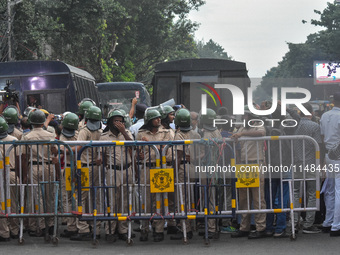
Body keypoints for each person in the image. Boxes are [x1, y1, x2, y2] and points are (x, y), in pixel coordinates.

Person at [231, 105, 267, 239]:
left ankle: (260, 228)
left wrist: (242, 134)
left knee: (258, 198)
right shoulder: (242, 127)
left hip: (255, 163)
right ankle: (244, 227)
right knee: (244, 198)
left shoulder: (258, 125)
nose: (244, 117)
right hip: (243, 165)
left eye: (246, 115)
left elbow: (261, 133)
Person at [21, 109, 58, 237]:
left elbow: (24, 157)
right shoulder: (50, 135)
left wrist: (24, 175)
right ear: (43, 122)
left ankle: (40, 226)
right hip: (49, 167)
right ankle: (51, 224)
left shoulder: (27, 136)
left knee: (37, 197)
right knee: (50, 196)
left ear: (31, 122)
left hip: (35, 167)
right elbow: (55, 151)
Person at [136, 109, 172, 242]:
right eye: (155, 118)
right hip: (146, 167)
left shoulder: (166, 132)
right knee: (146, 200)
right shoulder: (141, 134)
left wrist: (150, 144)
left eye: (159, 118)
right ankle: (144, 228)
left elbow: (164, 149)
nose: (158, 120)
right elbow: (138, 152)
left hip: (161, 169)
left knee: (161, 199)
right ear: (149, 120)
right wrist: (139, 154)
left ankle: (159, 229)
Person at [98, 109, 134, 242]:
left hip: (127, 170)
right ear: (110, 122)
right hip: (112, 170)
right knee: (112, 201)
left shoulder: (127, 133)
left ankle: (123, 230)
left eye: (121, 121)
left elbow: (133, 146)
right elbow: (102, 156)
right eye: (116, 121)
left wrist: (124, 132)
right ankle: (110, 230)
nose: (118, 123)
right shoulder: (104, 137)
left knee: (125, 201)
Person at [70, 106, 103, 241]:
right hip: (97, 167)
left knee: (80, 197)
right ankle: (96, 227)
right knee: (95, 197)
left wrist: (63, 149)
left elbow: (78, 147)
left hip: (84, 167)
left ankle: (83, 228)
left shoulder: (85, 131)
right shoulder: (101, 131)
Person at [169, 108, 201, 240]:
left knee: (182, 199)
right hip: (192, 167)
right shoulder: (196, 134)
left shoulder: (179, 135)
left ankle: (185, 230)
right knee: (190, 198)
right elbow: (201, 154)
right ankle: (191, 227)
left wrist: (174, 174)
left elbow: (178, 155)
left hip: (182, 168)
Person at [293, 102, 323, 234]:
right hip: (311, 162)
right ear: (311, 112)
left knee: (295, 191)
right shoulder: (315, 126)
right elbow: (319, 145)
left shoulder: (294, 126)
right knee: (312, 193)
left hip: (296, 163)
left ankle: (294, 221)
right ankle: (308, 224)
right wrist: (321, 164)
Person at [199, 108, 222, 239]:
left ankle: (212, 228)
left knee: (209, 198)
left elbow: (204, 153)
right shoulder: (216, 131)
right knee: (211, 197)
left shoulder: (208, 133)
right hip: (214, 168)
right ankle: (211, 225)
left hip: (209, 169)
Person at [320, 92, 340, 236]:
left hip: (328, 154)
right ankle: (336, 225)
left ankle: (328, 222)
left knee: (330, 190)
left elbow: (322, 138)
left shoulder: (325, 116)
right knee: (338, 191)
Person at [58, 113, 80, 238]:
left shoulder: (66, 136)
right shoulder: (78, 134)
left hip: (71, 168)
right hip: (74, 168)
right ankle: (74, 225)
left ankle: (74, 226)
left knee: (71, 197)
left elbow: (62, 151)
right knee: (73, 197)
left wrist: (63, 151)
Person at [0, 117, 19, 241]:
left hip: (1, 174)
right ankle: (15, 230)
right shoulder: (14, 140)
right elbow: (19, 159)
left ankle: (4, 232)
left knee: (1, 204)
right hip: (12, 173)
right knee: (13, 203)